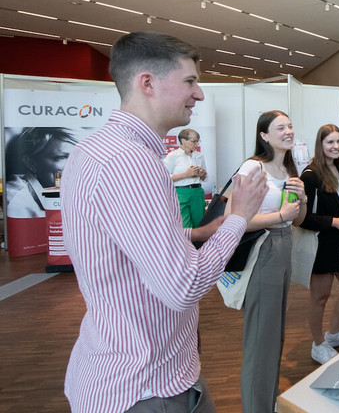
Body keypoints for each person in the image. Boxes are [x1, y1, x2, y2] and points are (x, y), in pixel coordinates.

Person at [60, 31, 267, 413]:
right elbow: (183, 286)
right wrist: (239, 217)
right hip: (146, 387)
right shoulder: (131, 162)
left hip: (134, 370)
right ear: (147, 83)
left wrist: (196, 233)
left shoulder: (95, 150)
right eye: (190, 81)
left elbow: (124, 240)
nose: (199, 94)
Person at [227, 110, 307, 412]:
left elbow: (296, 221)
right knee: (262, 338)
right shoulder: (253, 167)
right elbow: (232, 219)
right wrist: (279, 217)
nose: (288, 131)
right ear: (264, 135)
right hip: (264, 248)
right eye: (280, 127)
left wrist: (302, 199)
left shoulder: (288, 170)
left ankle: (268, 400)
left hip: (284, 246)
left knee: (275, 334)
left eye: (290, 125)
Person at [300, 124, 339, 365]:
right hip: (322, 244)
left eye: (338, 142)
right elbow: (302, 218)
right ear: (321, 145)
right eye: (330, 142)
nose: (335, 146)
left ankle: (334, 333)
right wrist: (335, 222)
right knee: (320, 297)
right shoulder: (311, 175)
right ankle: (318, 344)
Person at [4, 127, 77, 218]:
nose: (72, 166)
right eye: (61, 157)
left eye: (75, 157)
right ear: (30, 162)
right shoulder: (17, 201)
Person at [164, 128, 208, 228]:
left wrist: (202, 174)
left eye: (198, 141)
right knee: (185, 226)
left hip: (197, 192)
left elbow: (206, 178)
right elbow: (164, 178)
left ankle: (199, 244)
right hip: (180, 193)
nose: (197, 144)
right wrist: (186, 174)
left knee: (200, 225)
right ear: (183, 141)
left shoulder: (199, 156)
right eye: (194, 141)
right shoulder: (173, 156)